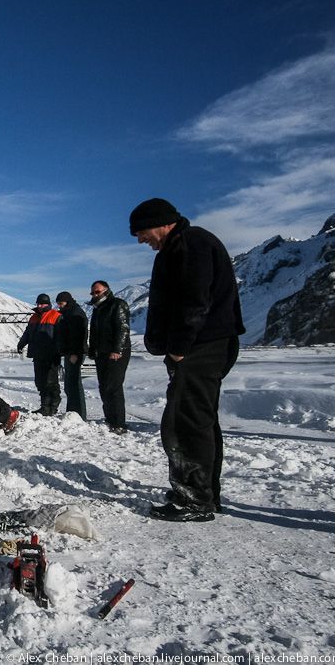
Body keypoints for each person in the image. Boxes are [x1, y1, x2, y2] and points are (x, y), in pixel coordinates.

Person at [130, 198, 245, 523]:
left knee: (185, 422)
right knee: (198, 418)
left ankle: (194, 500)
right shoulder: (183, 245)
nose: (141, 240)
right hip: (202, 344)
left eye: (142, 232)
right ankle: (202, 493)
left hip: (201, 346)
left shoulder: (192, 244)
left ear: (161, 222)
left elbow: (195, 301)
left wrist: (179, 348)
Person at [87, 280, 131, 433]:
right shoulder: (98, 309)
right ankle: (110, 418)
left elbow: (123, 328)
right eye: (92, 292)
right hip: (102, 353)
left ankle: (119, 423)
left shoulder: (117, 304)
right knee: (104, 386)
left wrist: (117, 349)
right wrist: (92, 350)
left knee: (114, 386)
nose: (94, 294)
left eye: (97, 292)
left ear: (106, 290)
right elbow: (94, 332)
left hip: (116, 353)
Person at [16, 294, 61, 415]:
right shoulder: (34, 317)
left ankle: (54, 405)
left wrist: (58, 352)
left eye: (43, 304)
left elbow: (60, 336)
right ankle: (45, 406)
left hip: (50, 355)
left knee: (50, 382)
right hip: (37, 354)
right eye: (38, 304)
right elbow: (27, 333)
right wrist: (21, 344)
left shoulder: (56, 316)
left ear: (48, 304)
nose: (40, 306)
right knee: (40, 382)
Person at [54, 291, 88, 420]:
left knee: (74, 383)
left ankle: (79, 414)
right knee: (69, 384)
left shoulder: (75, 314)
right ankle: (73, 412)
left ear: (67, 301)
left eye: (61, 303)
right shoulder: (69, 313)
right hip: (69, 352)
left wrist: (75, 353)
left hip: (74, 353)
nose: (59, 306)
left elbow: (77, 336)